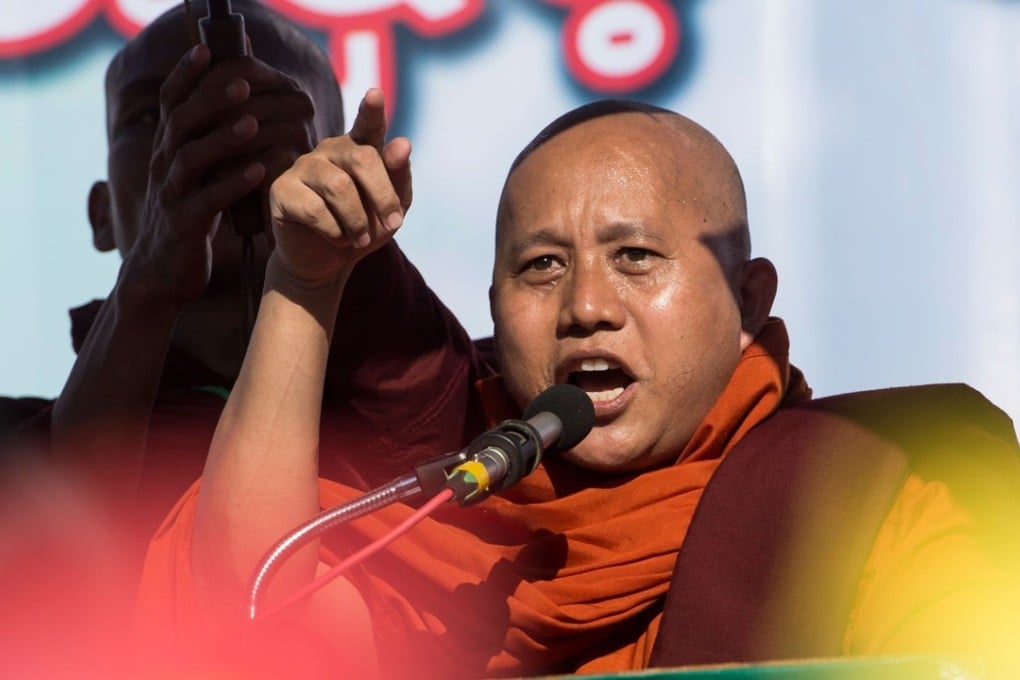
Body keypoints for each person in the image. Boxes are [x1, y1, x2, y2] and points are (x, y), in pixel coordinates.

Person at [136, 99, 1020, 678]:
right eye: (541, 267)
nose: (586, 308)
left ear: (750, 301)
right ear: (491, 308)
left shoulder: (870, 499)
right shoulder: (444, 526)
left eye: (636, 257)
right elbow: (253, 606)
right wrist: (306, 281)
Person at [3, 0, 491, 556]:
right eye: (148, 118)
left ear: (344, 159)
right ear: (100, 214)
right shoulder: (16, 439)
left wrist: (341, 239)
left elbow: (450, 430)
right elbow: (45, 563)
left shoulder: (475, 383)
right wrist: (149, 280)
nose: (212, 133)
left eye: (267, 105)